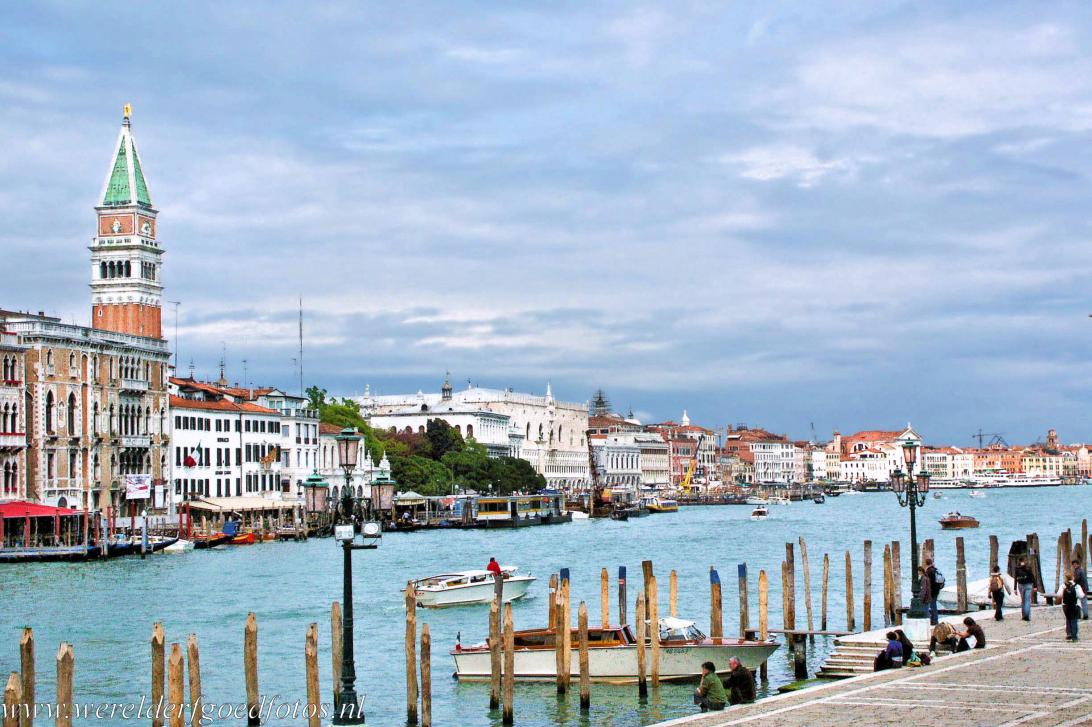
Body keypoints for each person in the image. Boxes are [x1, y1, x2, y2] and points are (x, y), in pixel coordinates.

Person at [1058, 572, 1086, 641]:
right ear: (1073, 577)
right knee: (1074, 619)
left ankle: (1068, 633)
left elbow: (1059, 595)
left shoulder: (1063, 585)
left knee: (1068, 619)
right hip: (1075, 605)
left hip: (1065, 605)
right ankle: (1074, 635)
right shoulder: (1077, 586)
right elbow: (1081, 595)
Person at [925, 558, 940, 625]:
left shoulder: (928, 571)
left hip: (931, 591)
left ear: (926, 564)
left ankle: (934, 621)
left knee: (932, 606)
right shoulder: (936, 570)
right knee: (933, 605)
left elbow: (927, 582)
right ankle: (934, 620)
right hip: (937, 590)